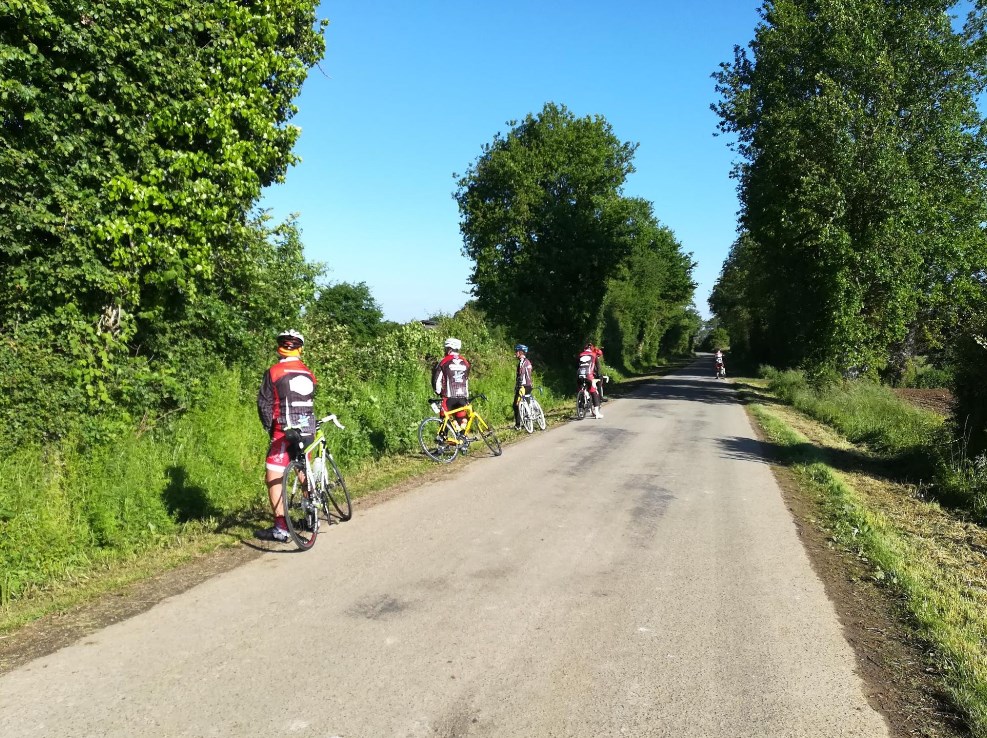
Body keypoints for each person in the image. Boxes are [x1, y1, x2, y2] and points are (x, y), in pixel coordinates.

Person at [256, 329, 318, 542]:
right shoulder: (309, 373)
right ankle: (312, 518)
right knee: (304, 471)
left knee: (274, 475)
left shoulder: (273, 372)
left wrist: (269, 428)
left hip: (284, 431)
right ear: (300, 349)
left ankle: (281, 528)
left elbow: (264, 404)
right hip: (308, 430)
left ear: (279, 348)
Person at [432, 337, 471, 441]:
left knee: (444, 420)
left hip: (448, 397)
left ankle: (442, 445)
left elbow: (436, 380)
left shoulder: (444, 361)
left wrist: (438, 392)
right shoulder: (465, 362)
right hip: (462, 396)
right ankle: (463, 442)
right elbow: (466, 379)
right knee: (461, 419)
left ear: (449, 349)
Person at [577, 342, 603, 419]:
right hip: (589, 375)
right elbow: (598, 367)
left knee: (580, 391)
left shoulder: (580, 355)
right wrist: (599, 376)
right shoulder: (594, 355)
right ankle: (597, 413)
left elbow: (576, 365)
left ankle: (581, 410)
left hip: (579, 375)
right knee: (593, 392)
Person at [513, 344, 533, 430]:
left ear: (521, 352)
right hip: (529, 386)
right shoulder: (528, 361)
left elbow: (521, 375)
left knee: (516, 405)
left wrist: (518, 386)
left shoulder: (521, 362)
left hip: (523, 387)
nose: (515, 353)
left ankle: (518, 425)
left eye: (517, 351)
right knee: (526, 403)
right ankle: (528, 420)